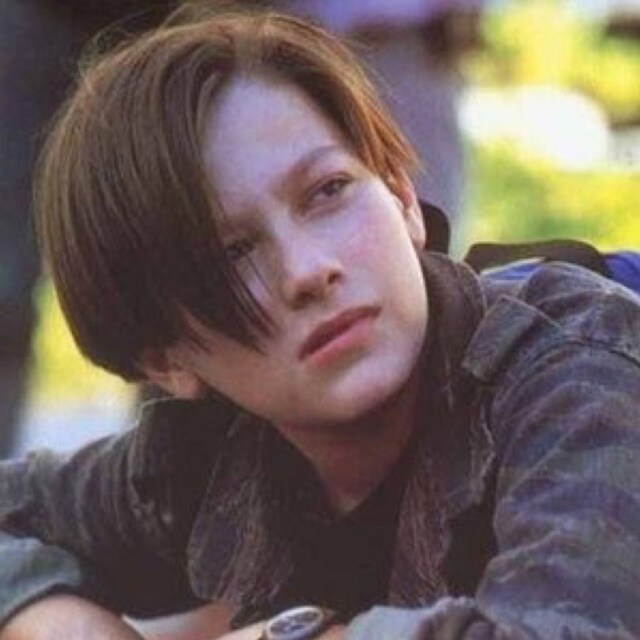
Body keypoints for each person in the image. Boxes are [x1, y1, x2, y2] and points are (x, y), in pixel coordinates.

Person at [1, 8, 640, 640]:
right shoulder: (216, 451)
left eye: (328, 190)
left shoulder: (575, 365)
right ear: (164, 357)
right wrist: (64, 626)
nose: (308, 271)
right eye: (231, 255)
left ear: (401, 196)